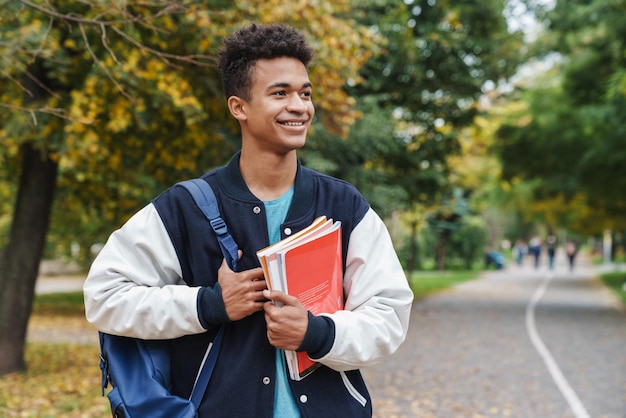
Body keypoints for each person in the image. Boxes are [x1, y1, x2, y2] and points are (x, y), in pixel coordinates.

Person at [83, 23, 413, 418]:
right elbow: (104, 296)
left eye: (304, 93)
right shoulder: (183, 207)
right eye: (280, 93)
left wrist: (316, 333)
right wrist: (208, 304)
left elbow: (389, 315)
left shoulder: (342, 204)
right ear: (239, 107)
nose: (300, 106)